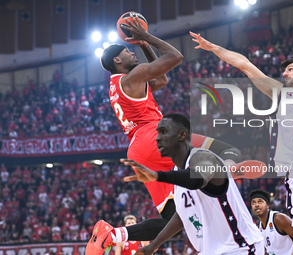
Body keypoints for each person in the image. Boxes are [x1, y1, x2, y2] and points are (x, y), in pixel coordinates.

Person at [86, 16, 241, 255]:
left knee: (175, 220)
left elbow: (162, 79)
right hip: (154, 136)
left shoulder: (121, 84)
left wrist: (144, 46)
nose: (133, 54)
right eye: (128, 51)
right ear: (118, 60)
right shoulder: (132, 77)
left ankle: (114, 234)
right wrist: (145, 37)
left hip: (139, 149)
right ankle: (229, 183)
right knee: (219, 152)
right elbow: (175, 57)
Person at [189, 31, 293, 255]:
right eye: (284, 71)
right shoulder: (280, 93)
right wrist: (214, 48)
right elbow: (245, 65)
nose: (285, 74)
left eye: (290, 69)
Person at [121, 113, 264, 255]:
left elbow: (196, 180)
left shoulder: (203, 157)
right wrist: (153, 246)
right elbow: (181, 215)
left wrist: (158, 176)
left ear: (182, 135)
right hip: (213, 250)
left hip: (241, 247)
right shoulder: (177, 171)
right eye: (157, 133)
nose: (157, 138)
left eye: (163, 132)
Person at [250, 189, 293, 255]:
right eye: (253, 202)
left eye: (260, 202)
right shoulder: (260, 226)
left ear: (267, 205)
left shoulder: (278, 219)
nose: (256, 205)